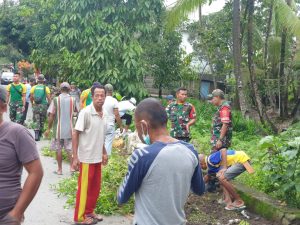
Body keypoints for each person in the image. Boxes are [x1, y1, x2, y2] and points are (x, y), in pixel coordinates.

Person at [118, 98, 205, 225]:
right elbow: (199, 189)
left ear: (143, 125)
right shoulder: (191, 150)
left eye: (137, 127)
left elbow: (122, 197)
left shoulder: (142, 155)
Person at [0, 86, 43, 225]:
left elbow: (36, 173)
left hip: (5, 215)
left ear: (3, 107)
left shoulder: (17, 133)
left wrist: (17, 213)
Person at [72, 84, 108, 225]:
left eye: (102, 95)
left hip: (97, 157)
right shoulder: (86, 112)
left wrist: (104, 152)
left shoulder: (104, 114)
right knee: (84, 188)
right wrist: (75, 157)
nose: (100, 98)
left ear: (105, 97)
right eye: (97, 95)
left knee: (95, 187)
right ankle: (79, 217)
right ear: (92, 97)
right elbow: (76, 133)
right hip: (86, 157)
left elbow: (100, 136)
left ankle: (89, 211)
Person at [45, 82, 78, 175]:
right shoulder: (73, 100)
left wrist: (48, 128)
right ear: (69, 90)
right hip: (70, 129)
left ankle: (59, 170)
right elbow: (76, 112)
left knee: (58, 149)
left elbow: (51, 115)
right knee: (70, 149)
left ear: (60, 89)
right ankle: (72, 167)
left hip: (58, 130)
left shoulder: (56, 99)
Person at [103, 84, 123, 156]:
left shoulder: (101, 99)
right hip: (110, 125)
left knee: (101, 142)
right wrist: (120, 125)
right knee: (108, 143)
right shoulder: (114, 101)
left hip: (100, 124)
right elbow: (117, 114)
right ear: (112, 91)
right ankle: (106, 160)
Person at [30, 74, 51, 141]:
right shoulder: (46, 88)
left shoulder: (34, 87)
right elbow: (48, 98)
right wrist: (50, 106)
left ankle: (36, 134)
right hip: (43, 106)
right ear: (43, 80)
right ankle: (40, 134)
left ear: (37, 80)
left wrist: (32, 103)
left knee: (36, 119)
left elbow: (31, 97)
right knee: (42, 120)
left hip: (36, 105)